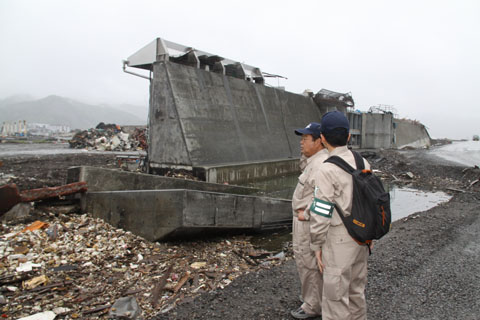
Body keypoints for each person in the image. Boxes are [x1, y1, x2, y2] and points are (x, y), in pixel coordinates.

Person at [309, 111, 371, 320]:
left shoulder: (327, 170)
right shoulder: (363, 162)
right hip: (361, 238)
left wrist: (316, 245)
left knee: (335, 300)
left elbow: (321, 212)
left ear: (323, 138)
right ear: (348, 137)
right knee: (356, 293)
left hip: (338, 241)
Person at [291, 122, 328, 319]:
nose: (301, 142)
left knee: (309, 262)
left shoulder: (321, 165)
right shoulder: (313, 161)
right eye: (301, 138)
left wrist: (307, 213)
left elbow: (324, 197)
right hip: (303, 222)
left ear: (319, 141)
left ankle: (313, 305)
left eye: (305, 139)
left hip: (308, 223)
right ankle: (311, 296)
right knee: (305, 260)